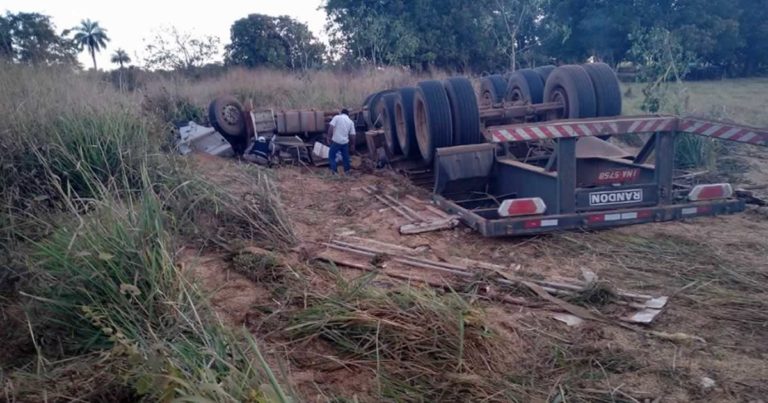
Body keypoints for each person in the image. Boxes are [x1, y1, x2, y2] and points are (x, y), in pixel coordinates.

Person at [326, 108, 356, 175]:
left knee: (331, 156)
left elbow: (331, 127)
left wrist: (328, 137)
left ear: (341, 113)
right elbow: (353, 135)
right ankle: (347, 172)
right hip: (345, 143)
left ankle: (334, 171)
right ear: (348, 115)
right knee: (346, 158)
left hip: (336, 141)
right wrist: (353, 145)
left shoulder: (337, 117)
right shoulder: (350, 122)